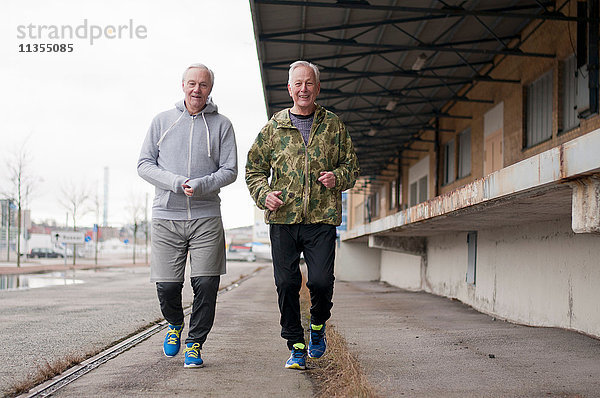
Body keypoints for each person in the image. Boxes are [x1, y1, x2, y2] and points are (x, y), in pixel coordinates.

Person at [245, 60, 359, 370]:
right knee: (286, 284)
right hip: (283, 219)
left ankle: (318, 325)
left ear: (317, 88)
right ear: (289, 89)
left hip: (321, 219)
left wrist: (338, 178)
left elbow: (352, 168)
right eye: (298, 83)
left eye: (309, 83)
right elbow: (254, 168)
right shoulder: (274, 128)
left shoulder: (333, 126)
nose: (303, 89)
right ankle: (296, 344)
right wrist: (262, 194)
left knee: (321, 281)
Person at [137, 63, 237, 368]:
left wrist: (203, 184)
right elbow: (144, 164)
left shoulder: (222, 125)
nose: (197, 89)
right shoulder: (162, 121)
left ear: (210, 89)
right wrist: (174, 182)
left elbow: (230, 170)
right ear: (183, 86)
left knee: (206, 284)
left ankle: (195, 344)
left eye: (203, 85)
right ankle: (175, 324)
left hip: (206, 216)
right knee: (167, 286)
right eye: (192, 83)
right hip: (167, 215)